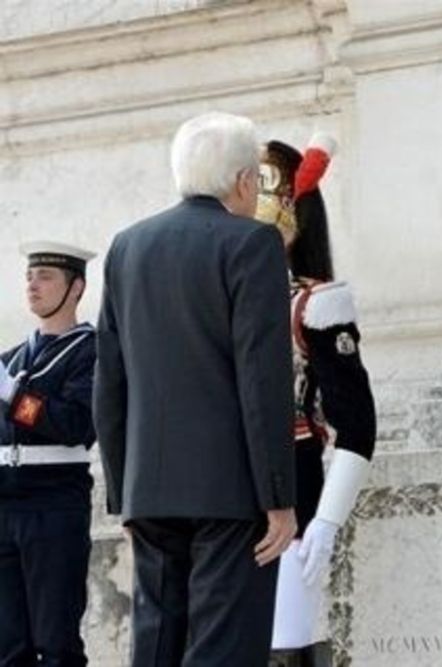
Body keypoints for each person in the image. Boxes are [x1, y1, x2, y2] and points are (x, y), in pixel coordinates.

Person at [94, 112, 298, 667]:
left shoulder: (127, 247)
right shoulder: (252, 243)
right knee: (222, 649)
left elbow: (109, 381)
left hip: (149, 489)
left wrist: (124, 495)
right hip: (230, 491)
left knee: (155, 647)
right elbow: (262, 377)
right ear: (244, 181)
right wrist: (279, 497)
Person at [257, 135, 377, 667]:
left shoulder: (315, 304)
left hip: (295, 479)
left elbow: (358, 424)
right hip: (224, 490)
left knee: (287, 641)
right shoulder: (214, 299)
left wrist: (326, 521)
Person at [0, 242, 96, 666]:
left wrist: (11, 395)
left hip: (54, 504)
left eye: (45, 276)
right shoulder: (12, 358)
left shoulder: (92, 351)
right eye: (29, 276)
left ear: (76, 288)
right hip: (5, 504)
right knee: (8, 647)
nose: (32, 285)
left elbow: (75, 424)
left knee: (56, 643)